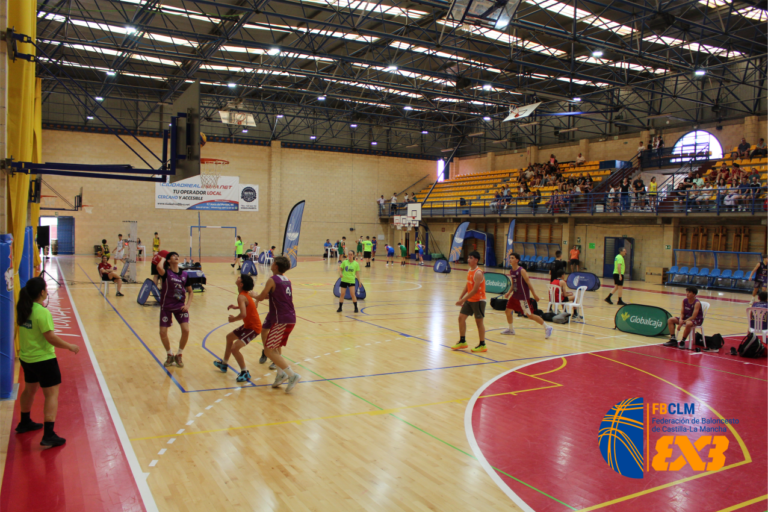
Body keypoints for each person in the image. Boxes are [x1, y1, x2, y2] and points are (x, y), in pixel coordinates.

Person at [15, 277, 80, 447]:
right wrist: (69, 346)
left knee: (29, 390)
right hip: (43, 360)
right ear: (42, 292)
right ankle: (49, 435)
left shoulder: (23, 308)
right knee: (51, 395)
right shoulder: (42, 312)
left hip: (27, 359)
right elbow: (50, 337)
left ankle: (24, 422)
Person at [252, 256, 301, 392]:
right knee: (273, 347)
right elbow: (275, 295)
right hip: (288, 317)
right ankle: (280, 374)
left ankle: (292, 375)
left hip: (282, 319)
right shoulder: (286, 280)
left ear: (276, 266)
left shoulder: (272, 280)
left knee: (268, 350)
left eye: (273, 262)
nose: (271, 263)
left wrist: (253, 295)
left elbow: (262, 297)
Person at [213, 275, 262, 382]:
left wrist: (233, 319)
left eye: (240, 277)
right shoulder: (244, 295)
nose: (238, 277)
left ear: (241, 284)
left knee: (235, 348)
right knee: (229, 337)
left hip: (254, 328)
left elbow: (243, 314)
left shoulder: (241, 296)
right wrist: (237, 307)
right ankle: (224, 364)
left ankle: (245, 372)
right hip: (248, 326)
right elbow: (248, 304)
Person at [501, 252, 553, 338]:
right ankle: (511, 330)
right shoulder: (511, 271)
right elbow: (514, 284)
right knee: (507, 311)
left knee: (530, 315)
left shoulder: (521, 270)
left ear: (517, 260)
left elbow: (529, 283)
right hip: (515, 296)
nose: (510, 259)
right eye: (510, 258)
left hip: (523, 297)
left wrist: (534, 295)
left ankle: (547, 327)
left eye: (512, 258)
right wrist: (509, 292)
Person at [157, 251, 193, 368]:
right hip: (166, 305)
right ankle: (169, 354)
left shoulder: (185, 275)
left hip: (180, 306)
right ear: (168, 260)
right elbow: (158, 267)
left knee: (186, 330)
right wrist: (163, 257)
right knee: (162, 333)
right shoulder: (166, 273)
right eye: (173, 256)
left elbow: (191, 291)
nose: (176, 257)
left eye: (177, 255)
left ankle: (179, 354)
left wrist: (187, 305)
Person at [452, 251, 488, 353]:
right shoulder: (470, 270)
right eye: (468, 257)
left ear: (476, 260)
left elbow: (475, 290)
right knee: (461, 318)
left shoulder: (478, 273)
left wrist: (463, 300)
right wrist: (461, 297)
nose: (468, 259)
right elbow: (468, 285)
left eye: (471, 258)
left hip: (479, 300)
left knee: (479, 322)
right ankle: (462, 341)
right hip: (470, 299)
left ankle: (482, 344)